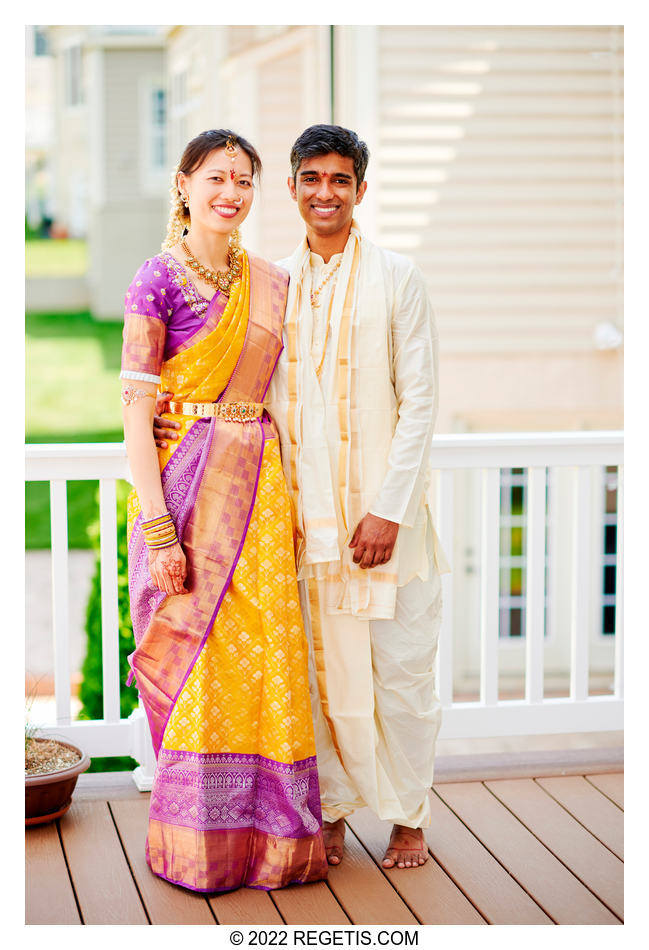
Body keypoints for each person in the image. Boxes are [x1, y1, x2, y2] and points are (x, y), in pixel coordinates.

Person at [154, 124, 448, 871]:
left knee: (400, 673)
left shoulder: (397, 278)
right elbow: (232, 389)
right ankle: (337, 811)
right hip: (298, 519)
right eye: (310, 179)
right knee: (320, 675)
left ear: (359, 189)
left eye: (340, 180)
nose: (325, 192)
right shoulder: (266, 284)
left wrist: (387, 508)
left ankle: (408, 817)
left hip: (386, 520)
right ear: (289, 189)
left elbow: (420, 403)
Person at [121, 128, 328, 894]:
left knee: (267, 660)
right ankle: (199, 845)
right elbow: (135, 414)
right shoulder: (155, 280)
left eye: (243, 180)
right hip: (183, 490)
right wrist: (157, 527)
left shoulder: (267, 280)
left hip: (258, 496)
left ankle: (271, 844)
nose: (230, 192)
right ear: (184, 185)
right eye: (216, 178)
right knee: (200, 666)